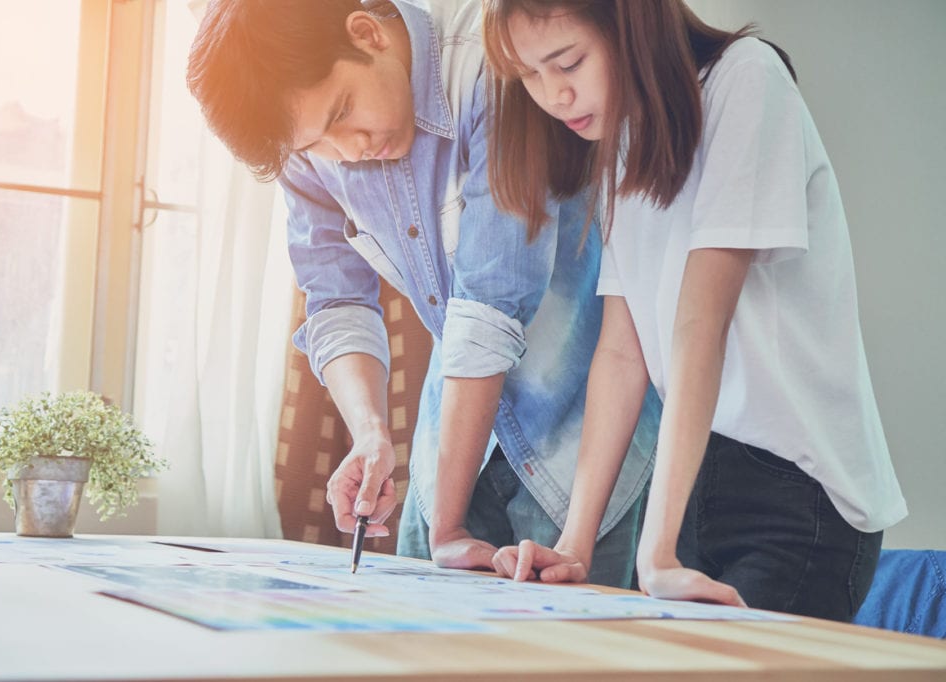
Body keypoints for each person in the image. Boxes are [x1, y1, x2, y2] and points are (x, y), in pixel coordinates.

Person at [186, 0, 662, 585]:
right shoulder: (308, 145)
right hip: (453, 436)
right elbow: (336, 302)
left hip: (581, 432)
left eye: (343, 112)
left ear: (367, 35)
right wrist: (370, 433)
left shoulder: (491, 66)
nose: (346, 151)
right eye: (317, 146)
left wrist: (446, 525)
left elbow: (490, 304)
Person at [481, 0, 907, 621]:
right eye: (531, 76)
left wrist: (655, 553)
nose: (555, 96)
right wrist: (574, 541)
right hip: (691, 485)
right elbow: (622, 353)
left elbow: (698, 323)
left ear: (630, 22)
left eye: (568, 62)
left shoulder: (747, 78)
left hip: (795, 496)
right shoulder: (623, 136)